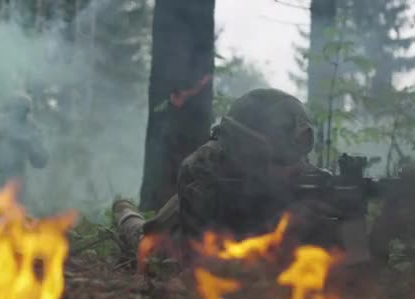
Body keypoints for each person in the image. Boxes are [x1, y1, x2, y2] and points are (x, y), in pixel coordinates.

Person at [113, 88, 336, 263]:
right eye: (280, 160)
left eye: (297, 159)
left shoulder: (299, 169)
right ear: (248, 150)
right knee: (149, 244)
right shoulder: (204, 168)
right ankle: (125, 212)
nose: (294, 169)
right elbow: (197, 259)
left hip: (248, 231)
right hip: (193, 221)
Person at [0, 91, 48, 205]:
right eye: (17, 107)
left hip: (16, 178)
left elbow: (41, 161)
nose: (20, 112)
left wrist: (31, 145)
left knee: (14, 213)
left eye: (25, 109)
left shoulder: (32, 129)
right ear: (10, 107)